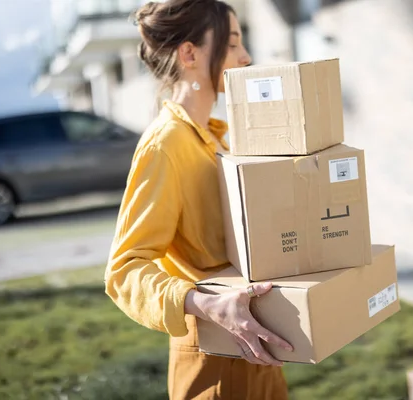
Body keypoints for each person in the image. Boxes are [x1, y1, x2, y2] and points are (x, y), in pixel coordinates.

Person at [104, 1, 294, 398]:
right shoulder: (165, 145)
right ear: (189, 54)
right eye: (232, 45)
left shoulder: (218, 139)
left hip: (258, 347)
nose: (246, 57)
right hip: (214, 361)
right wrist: (206, 305)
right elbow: (123, 270)